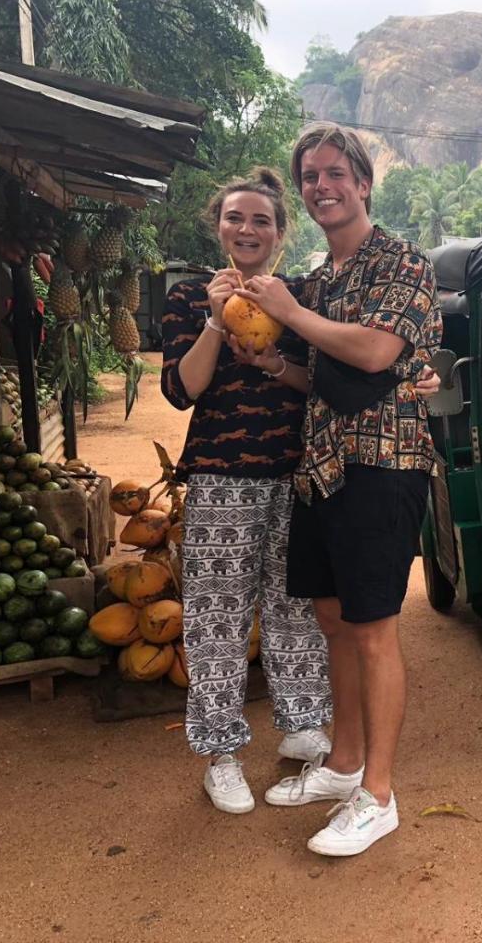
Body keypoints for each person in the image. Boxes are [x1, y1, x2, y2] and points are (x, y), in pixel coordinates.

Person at [232, 122, 442, 857]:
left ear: (362, 181)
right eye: (310, 176)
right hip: (320, 466)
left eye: (334, 173)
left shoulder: (402, 262)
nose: (322, 186)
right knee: (333, 621)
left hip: (384, 466)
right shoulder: (320, 279)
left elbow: (379, 350)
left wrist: (288, 312)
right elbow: (324, 373)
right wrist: (274, 366)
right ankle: (343, 762)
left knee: (375, 628)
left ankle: (377, 795)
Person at [160, 168, 332, 815]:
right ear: (219, 226)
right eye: (236, 218)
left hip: (292, 472)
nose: (248, 228)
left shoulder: (298, 297)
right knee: (216, 617)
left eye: (262, 219)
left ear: (280, 233)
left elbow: (320, 382)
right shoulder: (186, 299)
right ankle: (221, 754)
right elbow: (183, 391)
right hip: (220, 477)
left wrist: (273, 359)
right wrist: (212, 320)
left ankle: (304, 725)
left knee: (296, 606)